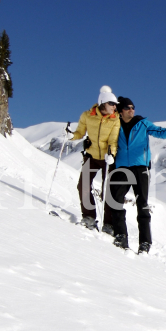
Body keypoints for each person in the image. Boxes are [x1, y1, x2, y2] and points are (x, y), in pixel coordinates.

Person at [108, 96, 166, 252]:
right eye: (128, 108)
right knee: (115, 201)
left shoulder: (142, 124)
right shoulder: (114, 125)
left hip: (140, 168)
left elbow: (160, 132)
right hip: (121, 167)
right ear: (120, 111)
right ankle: (120, 235)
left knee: (142, 205)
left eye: (133, 107)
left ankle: (145, 242)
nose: (131, 110)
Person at [69, 86, 121, 232]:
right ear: (103, 103)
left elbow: (113, 139)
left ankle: (109, 224)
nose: (114, 107)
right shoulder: (87, 115)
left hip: (107, 158)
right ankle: (89, 217)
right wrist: (71, 136)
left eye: (115, 104)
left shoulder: (115, 119)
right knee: (83, 186)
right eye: (112, 104)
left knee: (108, 190)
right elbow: (79, 132)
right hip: (91, 156)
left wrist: (111, 153)